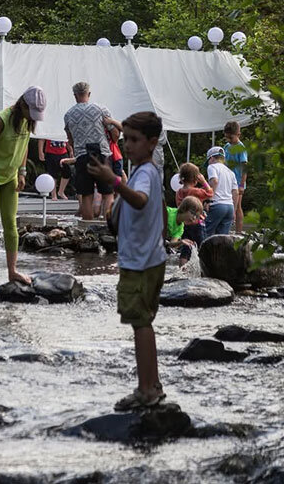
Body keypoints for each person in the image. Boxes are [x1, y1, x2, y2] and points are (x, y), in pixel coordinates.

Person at [89, 111, 167, 408]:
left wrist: (114, 183)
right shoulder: (145, 170)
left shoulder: (145, 173)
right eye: (126, 140)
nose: (129, 146)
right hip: (147, 257)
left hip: (141, 262)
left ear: (151, 142)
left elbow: (141, 200)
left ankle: (147, 389)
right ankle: (153, 384)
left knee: (141, 324)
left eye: (134, 140)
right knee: (142, 323)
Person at [0, 86, 47, 296]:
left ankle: (12, 271)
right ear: (23, 105)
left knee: (11, 224)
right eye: (30, 111)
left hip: (11, 175)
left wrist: (23, 172)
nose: (32, 116)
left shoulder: (28, 120)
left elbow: (24, 146)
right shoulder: (3, 119)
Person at [63, 81, 119, 221]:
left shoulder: (68, 115)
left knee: (86, 194)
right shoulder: (101, 110)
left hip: (82, 156)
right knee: (108, 193)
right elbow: (116, 134)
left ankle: (88, 230)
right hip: (102, 154)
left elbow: (70, 140)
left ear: (75, 96)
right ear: (89, 94)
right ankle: (108, 228)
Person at [204, 146, 238, 238]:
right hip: (229, 207)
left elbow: (214, 181)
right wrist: (234, 211)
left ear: (211, 158)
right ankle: (221, 253)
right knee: (223, 238)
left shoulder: (212, 167)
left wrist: (209, 200)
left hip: (217, 205)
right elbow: (235, 192)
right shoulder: (231, 172)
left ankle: (203, 252)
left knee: (206, 234)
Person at [223, 120, 248, 233]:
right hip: (227, 181)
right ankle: (225, 230)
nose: (228, 140)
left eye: (230, 138)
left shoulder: (241, 148)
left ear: (238, 134)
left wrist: (241, 185)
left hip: (237, 183)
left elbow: (244, 168)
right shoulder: (227, 146)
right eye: (226, 137)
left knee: (237, 206)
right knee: (227, 205)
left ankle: (238, 232)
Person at [175, 196, 205, 267]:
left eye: (196, 216)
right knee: (202, 247)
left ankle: (182, 271)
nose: (194, 218)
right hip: (197, 226)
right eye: (194, 215)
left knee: (186, 248)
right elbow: (209, 193)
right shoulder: (198, 192)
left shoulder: (180, 191)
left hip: (185, 224)